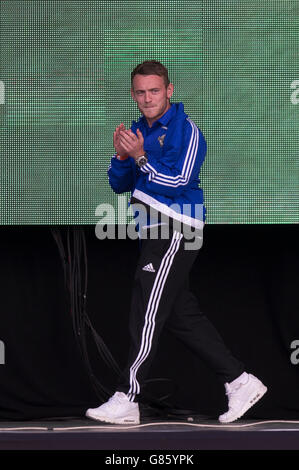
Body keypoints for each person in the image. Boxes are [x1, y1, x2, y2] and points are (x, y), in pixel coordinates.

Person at [86, 60, 267, 424]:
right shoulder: (139, 130)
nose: (147, 98)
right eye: (140, 92)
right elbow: (120, 185)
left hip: (176, 228)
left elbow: (178, 180)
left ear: (169, 91)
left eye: (154, 90)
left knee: (146, 309)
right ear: (133, 94)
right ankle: (240, 381)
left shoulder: (186, 129)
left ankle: (128, 397)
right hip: (151, 229)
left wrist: (140, 157)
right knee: (181, 315)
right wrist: (123, 157)